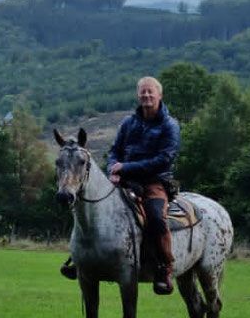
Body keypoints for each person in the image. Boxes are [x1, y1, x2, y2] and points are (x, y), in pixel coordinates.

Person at [69, 75, 180, 295]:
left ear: (159, 95)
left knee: (156, 218)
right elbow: (114, 151)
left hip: (155, 182)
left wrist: (125, 168)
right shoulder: (129, 122)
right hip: (126, 181)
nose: (146, 95)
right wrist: (113, 169)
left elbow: (164, 159)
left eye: (150, 91)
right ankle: (80, 260)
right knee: (95, 210)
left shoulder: (169, 125)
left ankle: (164, 268)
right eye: (143, 92)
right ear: (138, 95)